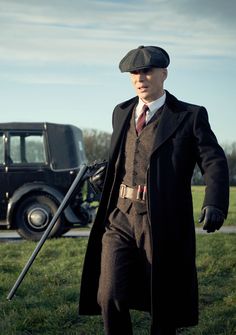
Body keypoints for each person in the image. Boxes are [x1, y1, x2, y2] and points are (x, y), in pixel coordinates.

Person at [79, 45, 229, 335]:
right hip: (119, 216)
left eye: (147, 71)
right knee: (109, 294)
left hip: (163, 220)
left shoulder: (189, 115)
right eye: (134, 73)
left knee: (164, 302)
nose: (140, 78)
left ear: (164, 74)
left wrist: (216, 202)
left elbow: (214, 161)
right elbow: (124, 158)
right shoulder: (121, 112)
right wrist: (105, 176)